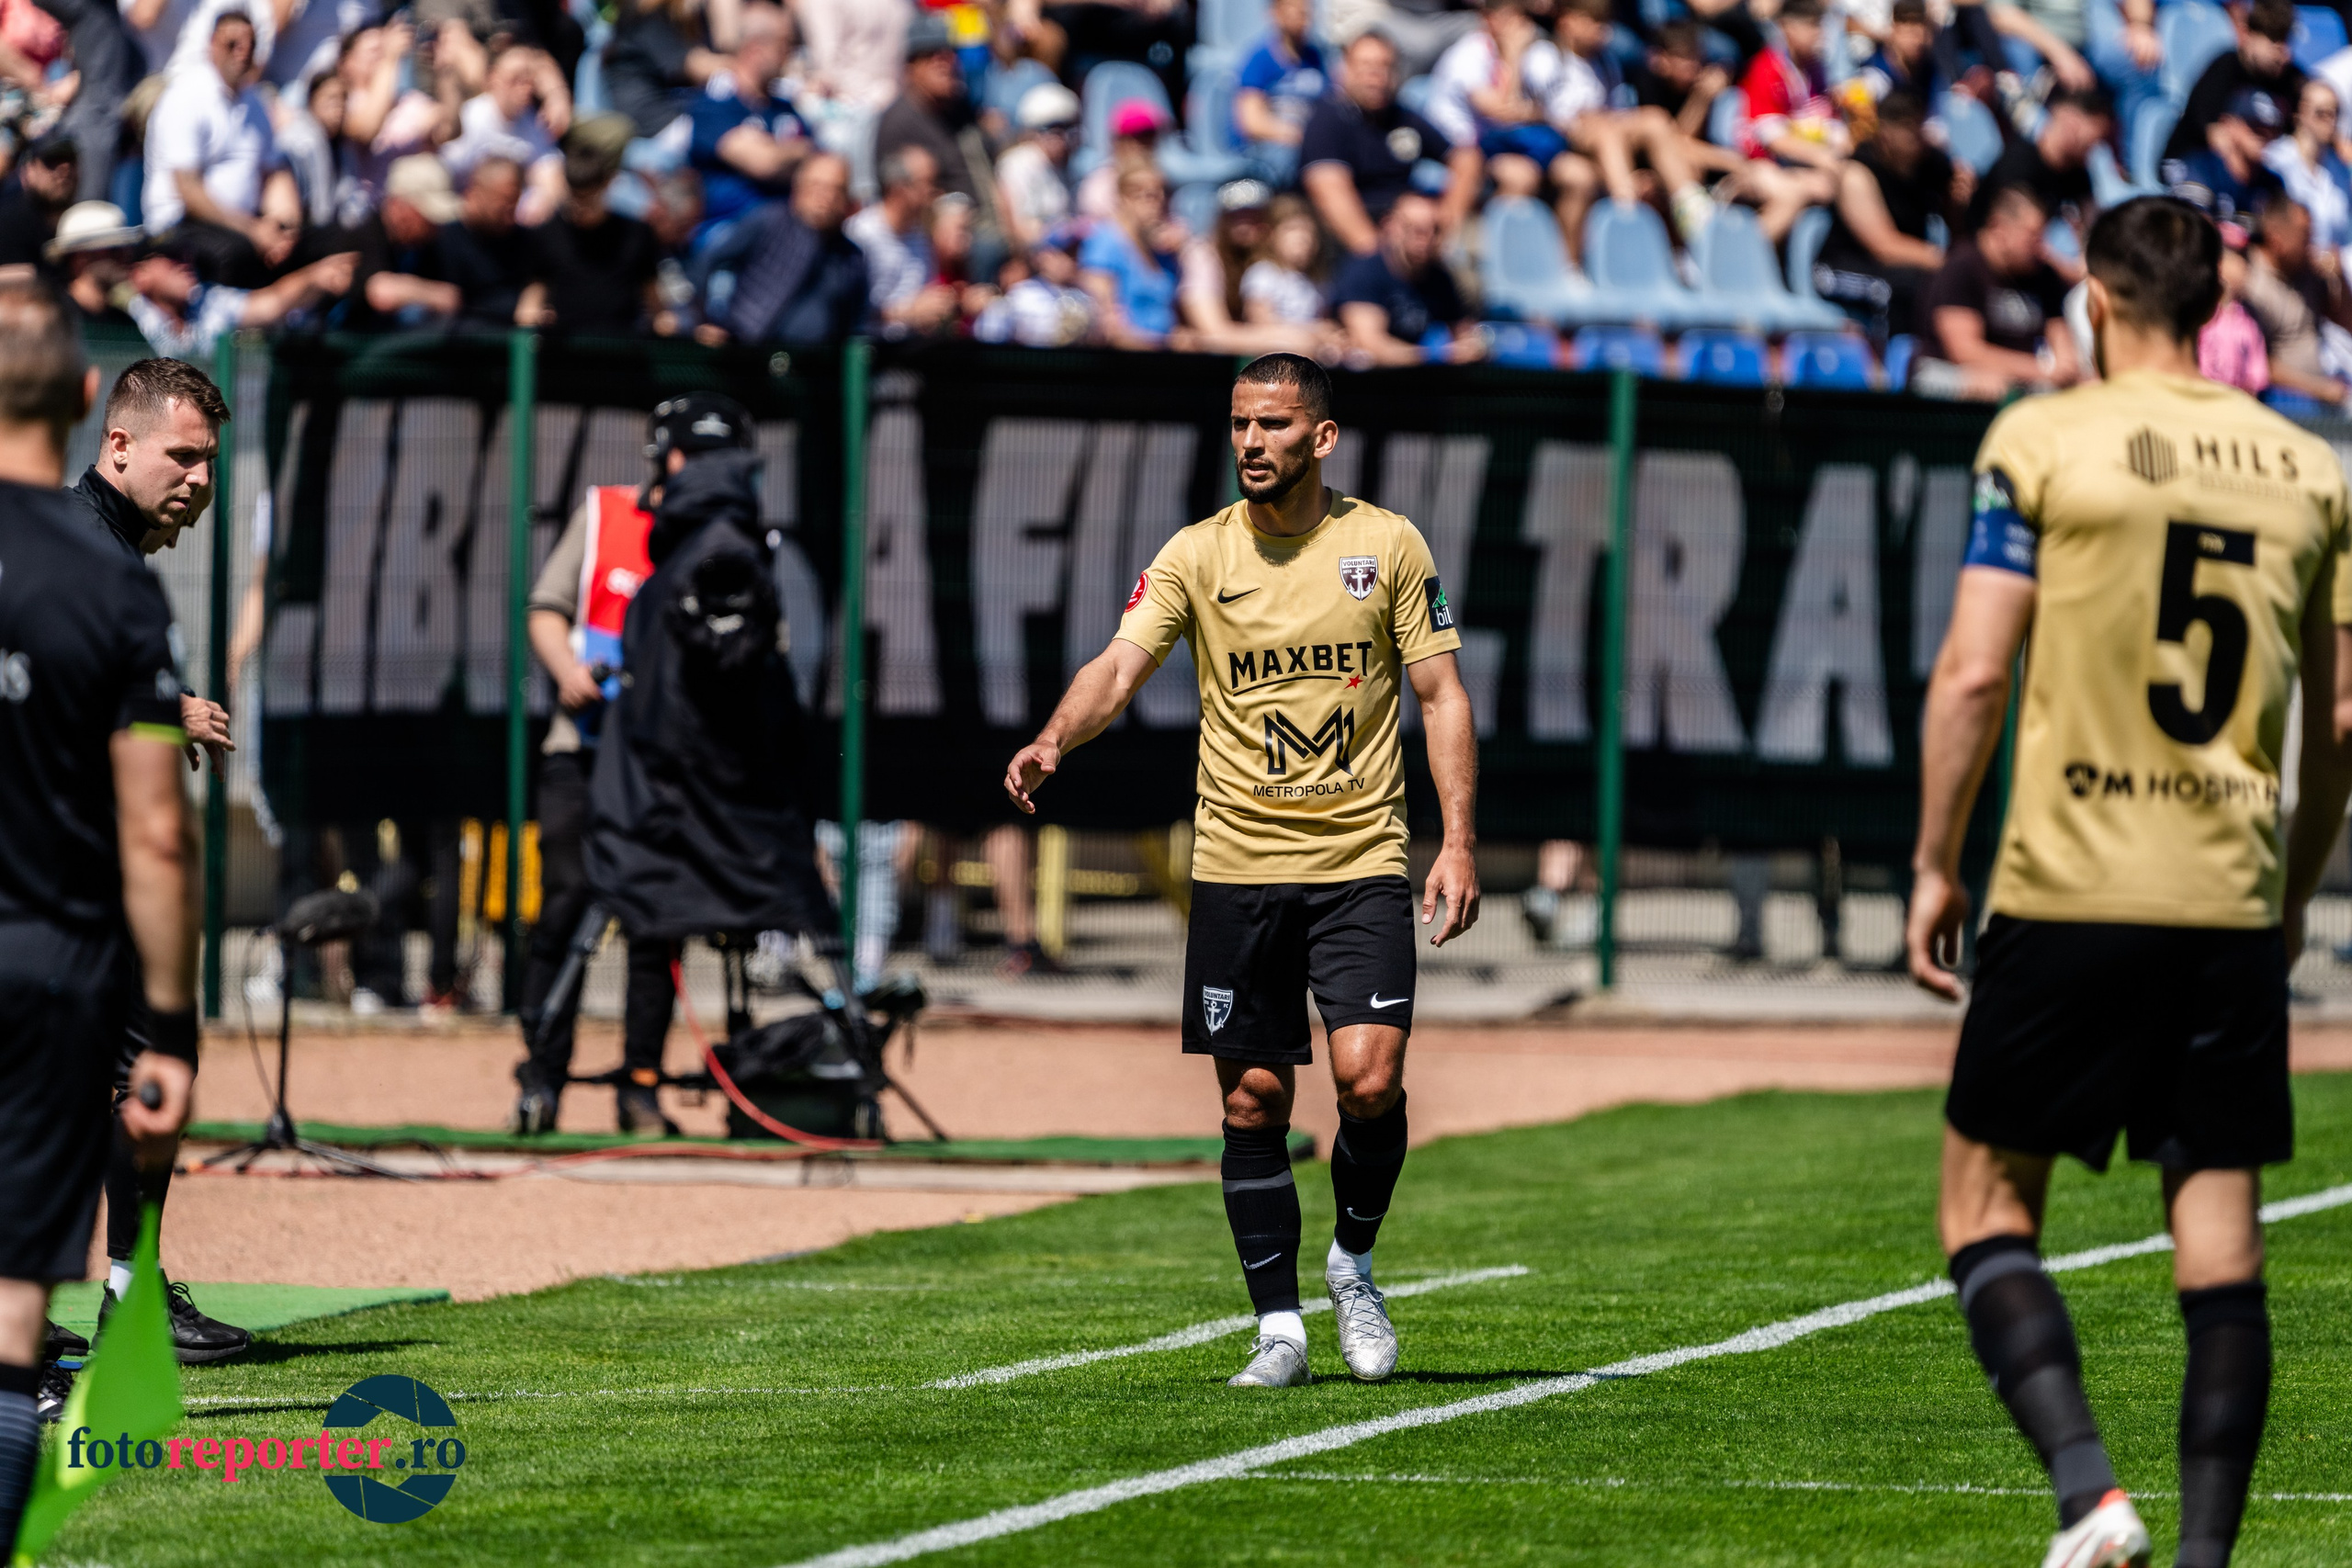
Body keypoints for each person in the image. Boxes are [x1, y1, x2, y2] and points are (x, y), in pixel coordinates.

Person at [1906, 193, 2352, 1568]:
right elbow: (2341, 724)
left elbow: (1973, 674)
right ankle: (2208, 1556)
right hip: (2225, 898)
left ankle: (2091, 1495)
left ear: (2095, 300)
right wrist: (2290, 893)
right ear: (2216, 305)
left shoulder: (2040, 436)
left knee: (1985, 1209)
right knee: (2220, 1248)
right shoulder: (2312, 467)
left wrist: (1933, 863)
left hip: (2067, 884)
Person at [1004, 352, 1480, 1388]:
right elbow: (1118, 667)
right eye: (1239, 424)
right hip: (1236, 867)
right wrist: (1054, 737)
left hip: (1359, 859)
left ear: (1322, 436)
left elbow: (1441, 695)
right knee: (1255, 1102)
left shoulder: (1386, 544)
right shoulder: (1195, 554)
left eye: (1273, 424)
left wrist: (1457, 842)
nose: (1251, 443)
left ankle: (1352, 1264)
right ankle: (1280, 1330)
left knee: (1369, 1082)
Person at [0, 276, 195, 1489]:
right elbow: (158, 834)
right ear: (86, 402)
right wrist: (168, 1024)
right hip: (45, 960)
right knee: (14, 1307)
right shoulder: (108, 580)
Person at [60, 358, 250, 1366]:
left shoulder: (108, 552)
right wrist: (157, 708)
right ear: (119, 443)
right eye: (183, 455)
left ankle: (127, 1300)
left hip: (85, 874)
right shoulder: (73, 547)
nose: (201, 479)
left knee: (132, 1067)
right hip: (50, 881)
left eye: (210, 460)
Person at [582, 392, 837, 1125]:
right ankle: (639, 1083)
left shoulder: (724, 552)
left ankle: (744, 1076)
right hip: (703, 805)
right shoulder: (727, 545)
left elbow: (740, 672)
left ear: (676, 460)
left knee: (654, 922)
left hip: (689, 806)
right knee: (650, 925)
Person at [512, 466, 684, 1135]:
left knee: (656, 922)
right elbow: (546, 608)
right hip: (581, 749)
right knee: (563, 907)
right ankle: (543, 1076)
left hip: (666, 762)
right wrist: (569, 672)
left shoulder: (726, 532)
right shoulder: (604, 513)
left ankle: (641, 1087)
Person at [141, 9, 297, 288]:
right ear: (212, 44)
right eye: (232, 44)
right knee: (237, 254)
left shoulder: (255, 103)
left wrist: (283, 228)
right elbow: (189, 190)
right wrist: (253, 231)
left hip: (243, 225)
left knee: (316, 246)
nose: (243, 53)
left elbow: (275, 174)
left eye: (251, 45)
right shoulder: (186, 97)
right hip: (182, 223)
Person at [1300, 30, 1480, 257]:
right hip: (1352, 245)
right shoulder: (1328, 119)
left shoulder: (1402, 117)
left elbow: (1467, 158)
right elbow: (1330, 193)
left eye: (1384, 66)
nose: (1375, 75)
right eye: (1366, 66)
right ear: (1345, 69)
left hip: (1405, 233)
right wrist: (1378, 261)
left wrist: (1445, 225)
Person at [1815, 88, 1958, 340]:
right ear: (1886, 133)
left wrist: (1960, 200)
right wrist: (1947, 261)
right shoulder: (1857, 172)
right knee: (1900, 288)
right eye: (1909, 129)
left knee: (1945, 285)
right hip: (1839, 269)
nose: (1918, 137)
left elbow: (1959, 227)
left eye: (1920, 126)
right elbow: (1884, 247)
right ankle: (1894, 360)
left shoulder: (1932, 166)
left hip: (1902, 267)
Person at [1917, 183, 2077, 398]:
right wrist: (2042, 371)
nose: (2042, 247)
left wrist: (2064, 368)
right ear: (1999, 229)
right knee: (1989, 386)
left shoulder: (2044, 275)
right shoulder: (1962, 267)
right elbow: (1965, 352)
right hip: (1947, 374)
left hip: (2022, 378)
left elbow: (2061, 338)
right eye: (2032, 237)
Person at [520, 116, 660, 335]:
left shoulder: (637, 235)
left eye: (588, 199)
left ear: (608, 184)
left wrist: (666, 324)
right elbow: (530, 305)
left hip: (623, 349)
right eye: (574, 198)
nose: (580, 208)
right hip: (564, 350)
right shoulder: (546, 235)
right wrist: (535, 318)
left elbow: (656, 306)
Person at [712, 151, 869, 344]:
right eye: (817, 186)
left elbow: (856, 322)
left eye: (837, 190)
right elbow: (710, 261)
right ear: (798, 189)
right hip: (748, 349)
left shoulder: (851, 258)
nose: (826, 197)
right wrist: (710, 321)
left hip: (816, 360)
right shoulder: (769, 221)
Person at [684, 3, 808, 245]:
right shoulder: (715, 105)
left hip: (787, 232)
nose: (791, 53)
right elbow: (765, 163)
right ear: (755, 47)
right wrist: (791, 152)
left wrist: (778, 150)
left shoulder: (785, 108)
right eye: (785, 43)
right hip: (728, 233)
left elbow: (815, 159)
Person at [125, 233, 356, 357]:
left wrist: (315, 276)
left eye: (187, 256)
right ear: (140, 275)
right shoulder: (126, 318)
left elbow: (270, 304)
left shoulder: (207, 300)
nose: (185, 264)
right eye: (172, 257)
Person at [1733, 0, 1846, 242]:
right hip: (1756, 164)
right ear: (1787, 27)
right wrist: (1822, 157)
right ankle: (1736, 257)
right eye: (1811, 26)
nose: (1819, 34)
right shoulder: (1766, 68)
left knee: (1842, 183)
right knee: (1795, 195)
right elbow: (1773, 139)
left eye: (1820, 26)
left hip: (1797, 165)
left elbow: (1828, 125)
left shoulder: (1816, 69)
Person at [1179, 179, 1330, 355]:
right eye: (1236, 215)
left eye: (1255, 215)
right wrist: (1297, 337)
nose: (1245, 223)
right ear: (1221, 219)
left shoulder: (1265, 262)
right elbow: (1213, 333)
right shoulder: (1203, 256)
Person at [1331, 188, 1484, 365]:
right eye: (1417, 230)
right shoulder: (1365, 271)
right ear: (1391, 226)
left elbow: (1460, 331)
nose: (1426, 239)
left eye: (1435, 230)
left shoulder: (1439, 277)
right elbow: (1371, 346)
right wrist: (1436, 355)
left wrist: (1471, 346)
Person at [443, 40, 571, 223]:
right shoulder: (471, 117)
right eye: (516, 79)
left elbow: (550, 174)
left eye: (529, 80)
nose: (525, 87)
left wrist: (542, 200)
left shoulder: (533, 123)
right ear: (493, 78)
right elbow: (448, 173)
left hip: (515, 220)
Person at [2239, 197, 2348, 406]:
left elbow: (2347, 322)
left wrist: (2340, 278)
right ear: (2276, 239)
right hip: (2281, 401)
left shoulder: (2309, 274)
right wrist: (2319, 389)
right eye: (2304, 236)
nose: (2311, 245)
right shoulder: (2251, 284)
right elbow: (2257, 363)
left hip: (2323, 394)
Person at [1970, 83, 2110, 244]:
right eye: (2095, 140)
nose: (2096, 147)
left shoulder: (2077, 174)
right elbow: (2014, 240)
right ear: (2072, 125)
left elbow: (2093, 222)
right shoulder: (2018, 164)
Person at [2166, 0, 2301, 163]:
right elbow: (2204, 125)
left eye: (2287, 42)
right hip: (2194, 162)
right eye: (2274, 42)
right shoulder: (2226, 67)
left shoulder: (2291, 79)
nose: (2283, 54)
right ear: (2248, 34)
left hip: (2258, 171)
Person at [1077, 159, 1191, 350]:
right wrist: (1165, 345)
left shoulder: (1161, 249)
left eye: (1163, 194)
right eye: (1147, 195)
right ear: (1123, 197)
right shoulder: (1104, 242)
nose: (1158, 203)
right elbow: (1106, 327)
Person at [844, 146, 958, 335]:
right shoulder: (860, 234)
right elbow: (846, 308)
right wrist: (907, 313)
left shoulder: (921, 237)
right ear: (899, 188)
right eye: (928, 183)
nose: (935, 192)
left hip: (915, 346)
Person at [876, 10, 986, 205]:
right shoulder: (898, 123)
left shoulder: (960, 108)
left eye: (949, 54)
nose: (944, 64)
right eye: (930, 55)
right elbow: (898, 202)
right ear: (910, 68)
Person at [1233, 0, 1333, 180]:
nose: (1300, 17)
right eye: (1292, 10)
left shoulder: (1317, 58)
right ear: (1275, 14)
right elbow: (1252, 123)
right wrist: (1298, 135)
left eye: (1304, 12)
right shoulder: (1259, 59)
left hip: (1311, 142)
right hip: (1272, 149)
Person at [2164, 88, 2288, 229]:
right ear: (2228, 124)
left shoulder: (2273, 185)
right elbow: (2192, 230)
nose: (2263, 134)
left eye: (2271, 127)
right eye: (2254, 125)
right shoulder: (2200, 168)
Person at [436, 155, 536, 327]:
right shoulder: (444, 240)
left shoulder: (524, 239)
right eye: (504, 202)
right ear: (477, 192)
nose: (510, 214)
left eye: (515, 203)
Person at [2261, 78, 2352, 264]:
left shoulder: (2340, 170)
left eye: (2336, 113)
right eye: (2321, 113)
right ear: (2300, 113)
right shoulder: (2275, 160)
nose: (2331, 121)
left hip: (2333, 270)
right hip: (2291, 263)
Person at [992, 81, 1078, 254]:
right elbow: (1023, 231)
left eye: (1067, 128)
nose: (1062, 137)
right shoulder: (1018, 164)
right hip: (1032, 253)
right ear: (1034, 131)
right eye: (1053, 129)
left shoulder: (1066, 165)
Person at [45, 200, 142, 331]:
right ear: (82, 258)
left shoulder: (124, 322)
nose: (126, 256)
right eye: (114, 249)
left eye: (126, 248)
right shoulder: (55, 319)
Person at [0, 134, 80, 272]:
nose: (64, 170)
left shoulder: (84, 220)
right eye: (51, 162)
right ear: (28, 170)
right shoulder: (8, 224)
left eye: (71, 161)